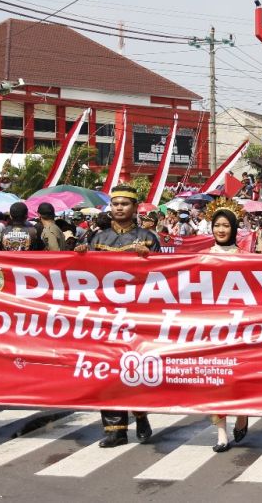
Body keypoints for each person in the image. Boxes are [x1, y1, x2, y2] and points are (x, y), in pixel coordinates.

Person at [74, 185, 159, 448]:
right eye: (115, 204)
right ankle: (115, 430)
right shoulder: (97, 238)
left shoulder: (148, 237)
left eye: (125, 204)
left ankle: (141, 415)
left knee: (135, 370)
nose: (119, 208)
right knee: (108, 371)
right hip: (106, 316)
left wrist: (150, 259)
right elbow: (85, 276)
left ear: (135, 208)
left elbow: (165, 276)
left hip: (137, 316)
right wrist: (81, 256)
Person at [202, 198, 251, 452]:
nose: (221, 230)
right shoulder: (201, 258)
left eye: (226, 225)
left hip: (240, 327)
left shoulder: (247, 258)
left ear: (234, 228)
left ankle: (242, 413)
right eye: (217, 225)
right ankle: (221, 432)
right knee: (216, 378)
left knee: (240, 377)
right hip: (212, 328)